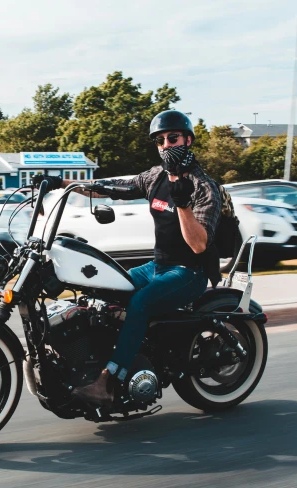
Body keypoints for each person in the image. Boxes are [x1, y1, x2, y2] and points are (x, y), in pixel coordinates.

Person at [43, 110, 223, 407]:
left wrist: (181, 203)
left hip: (188, 272)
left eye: (173, 138)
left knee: (140, 303)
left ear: (188, 140)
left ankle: (109, 381)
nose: (166, 144)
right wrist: (62, 184)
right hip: (158, 266)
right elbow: (116, 186)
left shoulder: (203, 188)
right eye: (160, 140)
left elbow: (199, 245)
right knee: (105, 289)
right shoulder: (155, 176)